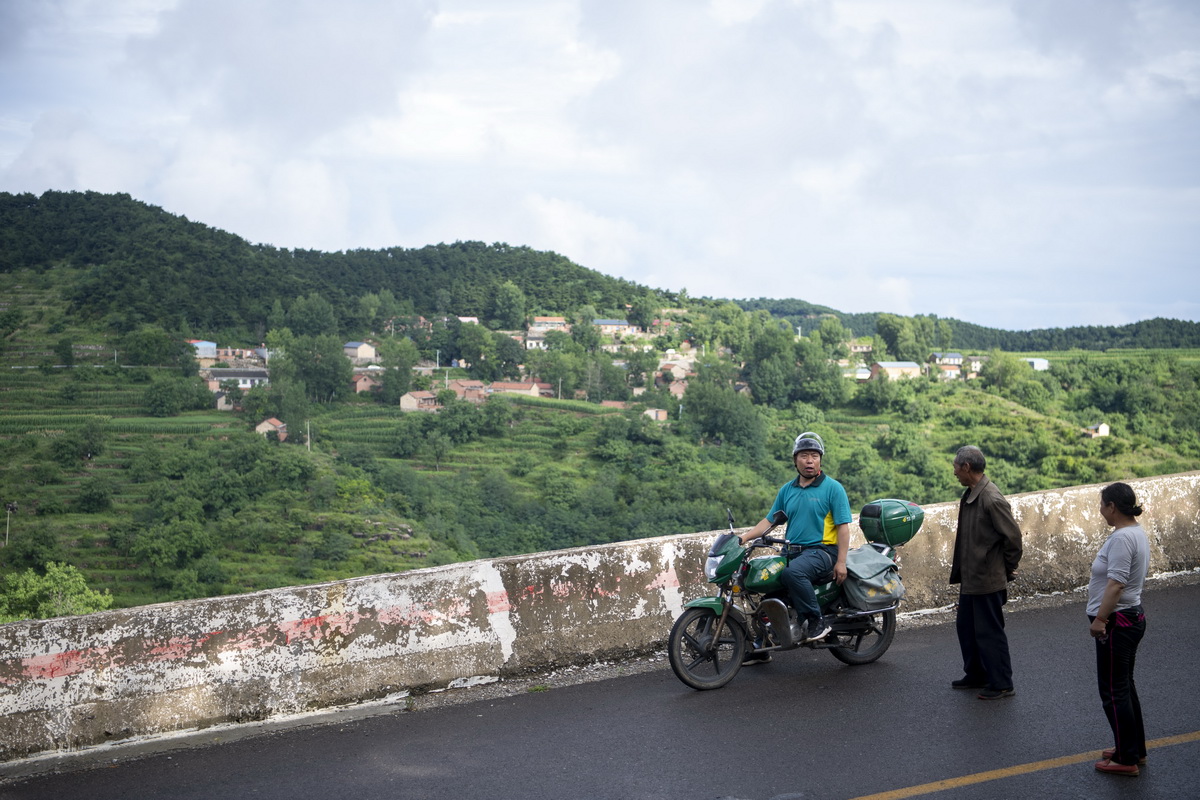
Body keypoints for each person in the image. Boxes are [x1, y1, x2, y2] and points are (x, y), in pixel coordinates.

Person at [738, 432, 850, 663]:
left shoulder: (833, 488)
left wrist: (841, 561)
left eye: (814, 456)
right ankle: (764, 644)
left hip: (823, 551)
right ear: (795, 460)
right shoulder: (787, 490)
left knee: (793, 573)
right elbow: (769, 521)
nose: (809, 460)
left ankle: (816, 621)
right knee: (766, 588)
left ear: (820, 460)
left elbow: (843, 528)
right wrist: (743, 537)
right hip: (792, 552)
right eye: (804, 456)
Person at [949, 445, 1022, 700]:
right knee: (966, 628)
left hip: (987, 579)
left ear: (966, 467)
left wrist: (1007, 567)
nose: (955, 472)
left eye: (956, 466)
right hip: (972, 578)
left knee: (989, 632)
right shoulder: (970, 495)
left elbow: (1013, 537)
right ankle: (977, 674)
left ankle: (1002, 683)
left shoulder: (991, 498)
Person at [1089, 482, 1150, 777]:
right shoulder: (1135, 533)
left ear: (1112, 506)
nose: (1101, 511)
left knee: (1113, 692)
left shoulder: (1123, 539)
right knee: (1125, 687)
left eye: (1102, 505)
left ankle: (1126, 757)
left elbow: (1116, 583)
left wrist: (1100, 619)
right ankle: (1133, 748)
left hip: (1117, 622)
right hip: (1129, 617)